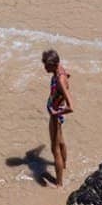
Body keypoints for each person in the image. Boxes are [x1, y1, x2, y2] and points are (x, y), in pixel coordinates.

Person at [41, 49, 73, 185]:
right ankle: (64, 167)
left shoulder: (59, 79)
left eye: (46, 66)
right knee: (61, 142)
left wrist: (56, 113)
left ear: (53, 65)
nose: (44, 68)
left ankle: (59, 183)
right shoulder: (60, 70)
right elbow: (66, 77)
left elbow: (71, 107)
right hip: (57, 113)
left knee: (55, 149)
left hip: (56, 116)